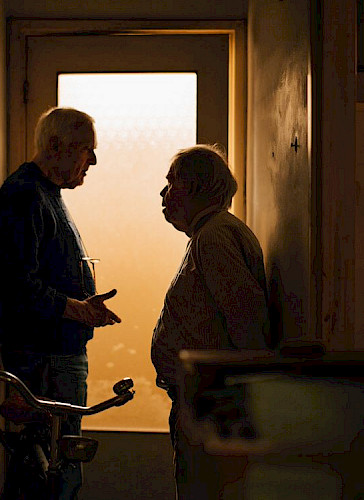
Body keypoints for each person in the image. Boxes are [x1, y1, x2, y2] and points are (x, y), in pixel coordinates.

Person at [0, 107, 121, 499]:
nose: (92, 161)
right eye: (86, 150)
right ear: (54, 145)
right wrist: (79, 309)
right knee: (53, 474)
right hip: (44, 360)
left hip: (53, 358)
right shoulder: (25, 195)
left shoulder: (45, 193)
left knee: (55, 470)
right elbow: (18, 285)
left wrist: (81, 304)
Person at [151, 144, 269, 499]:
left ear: (194, 186)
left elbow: (246, 322)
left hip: (214, 404)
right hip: (207, 400)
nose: (163, 193)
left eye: (171, 182)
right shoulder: (209, 234)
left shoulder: (215, 236)